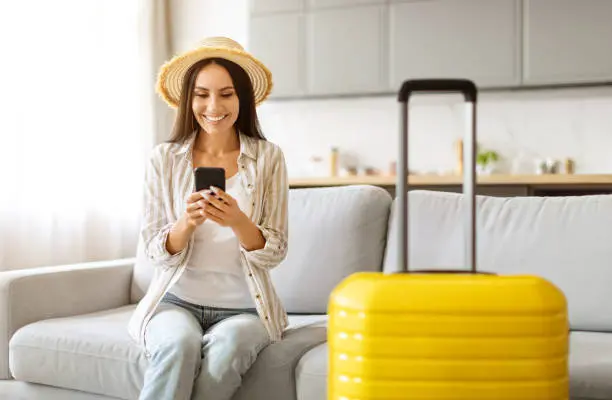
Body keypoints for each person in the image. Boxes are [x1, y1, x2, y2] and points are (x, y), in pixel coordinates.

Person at [127, 37, 290, 400]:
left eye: (226, 94)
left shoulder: (268, 158)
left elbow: (276, 251)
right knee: (177, 347)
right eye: (201, 94)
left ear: (242, 99)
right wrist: (185, 223)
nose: (213, 106)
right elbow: (155, 252)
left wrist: (238, 222)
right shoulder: (164, 159)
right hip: (175, 302)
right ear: (189, 100)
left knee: (226, 354)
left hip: (246, 308)